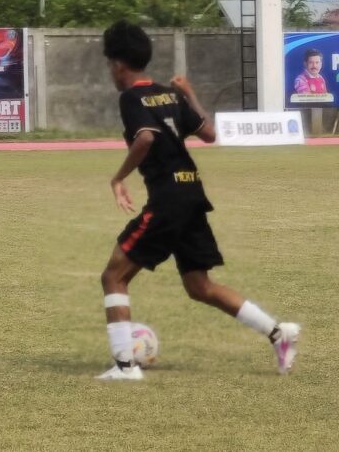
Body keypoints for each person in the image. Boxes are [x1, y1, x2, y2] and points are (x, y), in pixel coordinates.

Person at [97, 20, 300, 380]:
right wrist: (188, 93)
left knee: (114, 276)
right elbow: (208, 133)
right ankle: (278, 332)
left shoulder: (130, 97)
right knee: (199, 286)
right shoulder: (169, 94)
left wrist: (118, 178)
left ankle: (125, 366)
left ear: (117, 65)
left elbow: (143, 139)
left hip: (169, 198)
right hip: (192, 192)